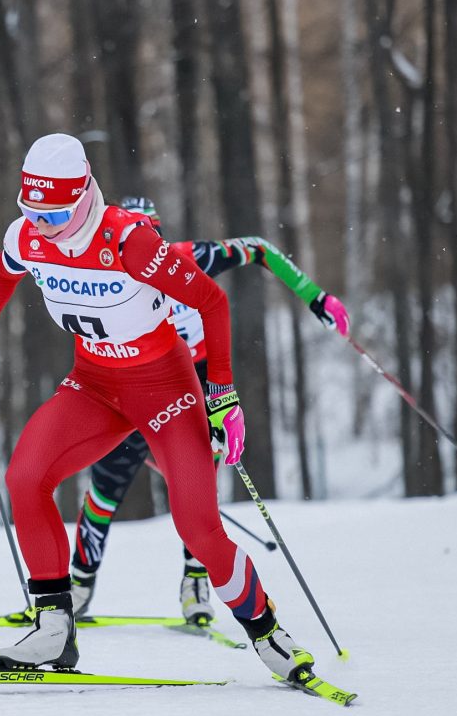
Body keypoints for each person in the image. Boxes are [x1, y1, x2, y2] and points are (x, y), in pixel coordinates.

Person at [0, 133, 315, 683]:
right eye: (32, 212)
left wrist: (222, 394)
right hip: (93, 383)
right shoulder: (28, 236)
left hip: (164, 386)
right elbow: (2, 274)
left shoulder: (129, 241)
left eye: (54, 214)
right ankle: (54, 628)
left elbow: (211, 302)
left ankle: (267, 633)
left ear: (83, 198)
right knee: (26, 477)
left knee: (198, 526)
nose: (41, 226)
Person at [69, 196, 351, 625]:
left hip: (188, 390)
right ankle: (78, 586)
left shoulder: (190, 259)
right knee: (105, 489)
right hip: (131, 394)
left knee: (197, 489)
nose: (144, 257)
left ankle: (195, 582)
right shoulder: (106, 273)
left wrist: (315, 297)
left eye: (151, 240)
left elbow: (258, 247)